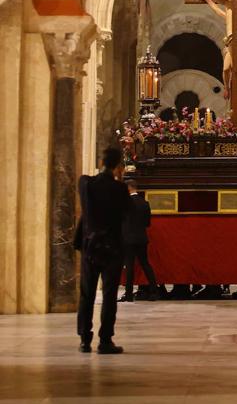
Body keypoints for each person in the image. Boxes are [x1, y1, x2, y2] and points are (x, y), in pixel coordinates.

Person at [75, 146, 130, 354]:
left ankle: (84, 339)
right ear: (118, 167)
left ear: (101, 163)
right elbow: (126, 213)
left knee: (87, 294)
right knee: (109, 295)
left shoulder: (85, 183)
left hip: (90, 246)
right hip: (112, 247)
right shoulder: (119, 189)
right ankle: (105, 340)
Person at [121, 179, 158, 303]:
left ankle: (129, 295)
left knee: (130, 266)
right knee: (145, 264)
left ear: (128, 188)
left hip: (128, 239)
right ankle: (154, 291)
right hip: (142, 238)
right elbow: (147, 223)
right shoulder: (144, 203)